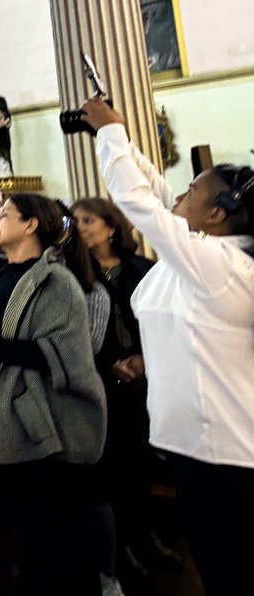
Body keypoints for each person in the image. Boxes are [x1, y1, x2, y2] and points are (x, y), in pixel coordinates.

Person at [83, 97, 254, 596]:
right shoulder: (205, 256)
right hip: (191, 443)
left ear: (217, 214)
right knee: (216, 562)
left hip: (223, 450)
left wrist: (110, 134)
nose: (179, 193)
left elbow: (142, 202)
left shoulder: (220, 265)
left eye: (192, 190)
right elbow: (157, 190)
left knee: (233, 571)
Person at [0, 194, 109, 596]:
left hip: (44, 425)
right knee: (20, 530)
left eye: (4, 214)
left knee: (53, 537)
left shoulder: (56, 281)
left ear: (31, 224)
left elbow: (68, 354)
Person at [72, 196, 178, 580]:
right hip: (100, 383)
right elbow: (74, 332)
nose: (79, 227)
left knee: (139, 465)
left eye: (87, 220)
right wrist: (108, 364)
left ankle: (146, 538)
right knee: (112, 469)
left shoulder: (141, 268)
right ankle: (121, 549)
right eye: (75, 221)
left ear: (111, 227)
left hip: (144, 380)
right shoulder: (74, 273)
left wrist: (144, 359)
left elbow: (166, 320)